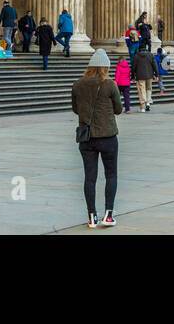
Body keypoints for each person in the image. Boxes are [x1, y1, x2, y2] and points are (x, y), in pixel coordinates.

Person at [71, 49, 122, 228]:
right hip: (108, 136)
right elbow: (118, 109)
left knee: (89, 178)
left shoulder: (78, 84)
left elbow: (75, 109)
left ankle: (91, 216)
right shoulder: (110, 85)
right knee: (111, 175)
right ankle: (108, 215)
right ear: (106, 67)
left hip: (87, 137)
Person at [133, 45, 157, 112]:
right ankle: (148, 102)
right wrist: (157, 74)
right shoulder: (150, 55)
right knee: (148, 89)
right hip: (149, 75)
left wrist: (132, 76)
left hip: (140, 75)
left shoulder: (136, 56)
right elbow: (154, 65)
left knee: (142, 90)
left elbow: (133, 67)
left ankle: (143, 106)